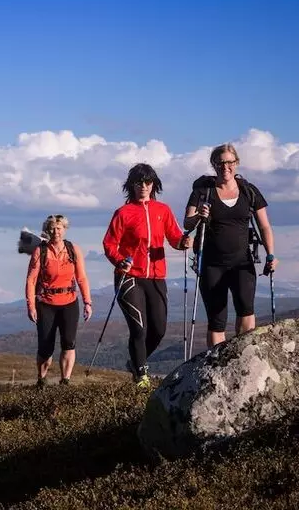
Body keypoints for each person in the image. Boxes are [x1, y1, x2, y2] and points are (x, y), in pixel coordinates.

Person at [102, 163, 193, 388]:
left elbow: (174, 237)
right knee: (138, 328)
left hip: (156, 276)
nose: (143, 186)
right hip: (130, 275)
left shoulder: (163, 210)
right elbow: (109, 243)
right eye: (138, 182)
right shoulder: (123, 213)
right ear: (131, 185)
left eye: (148, 182)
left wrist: (183, 242)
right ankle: (141, 376)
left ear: (154, 185)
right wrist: (119, 260)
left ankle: (135, 362)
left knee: (159, 330)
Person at [184, 143, 278, 348]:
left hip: (242, 263)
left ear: (237, 163)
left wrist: (271, 255)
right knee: (217, 321)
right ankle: (217, 365)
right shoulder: (203, 192)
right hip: (211, 264)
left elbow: (265, 227)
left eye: (230, 162)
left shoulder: (249, 191)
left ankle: (242, 357)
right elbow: (187, 223)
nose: (225, 167)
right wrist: (199, 215)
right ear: (213, 164)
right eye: (220, 163)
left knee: (246, 310)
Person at [25, 214, 93, 387]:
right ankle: (41, 380)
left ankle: (65, 381)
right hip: (46, 304)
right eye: (52, 228)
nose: (56, 231)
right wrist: (31, 305)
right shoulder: (40, 251)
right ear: (48, 230)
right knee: (45, 348)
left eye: (59, 228)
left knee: (69, 344)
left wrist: (87, 302)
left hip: (69, 302)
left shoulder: (73, 250)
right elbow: (31, 280)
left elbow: (82, 277)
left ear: (64, 229)